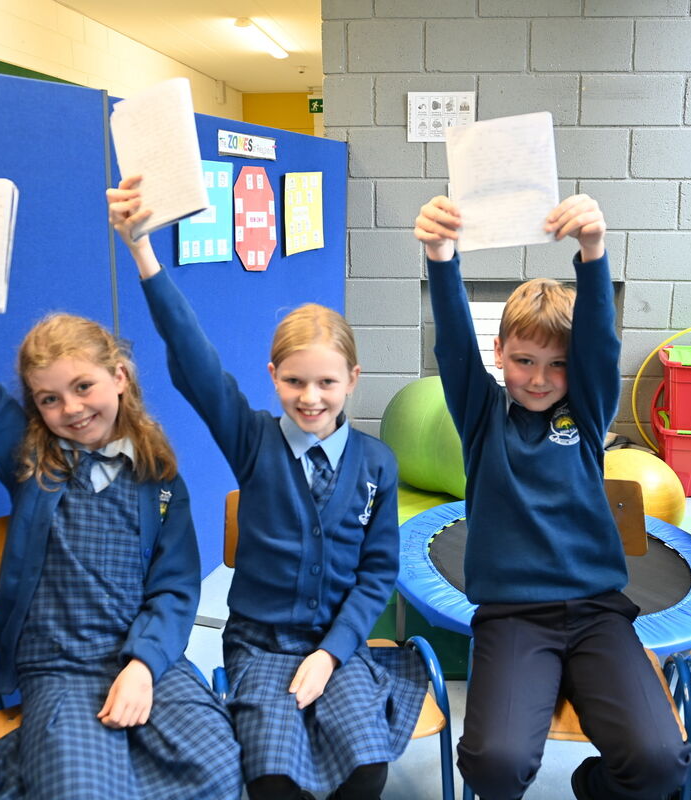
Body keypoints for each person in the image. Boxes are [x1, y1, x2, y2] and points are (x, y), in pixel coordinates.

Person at [0, 210, 241, 800]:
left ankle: (41, 753)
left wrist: (144, 667)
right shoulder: (30, 458)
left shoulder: (159, 475)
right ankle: (36, 756)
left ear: (119, 376)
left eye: (83, 387)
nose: (70, 408)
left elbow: (175, 588)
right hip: (60, 671)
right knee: (83, 788)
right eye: (49, 398)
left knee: (216, 765)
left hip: (145, 657)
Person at [106, 177, 425, 800]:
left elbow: (376, 575)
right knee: (274, 778)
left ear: (352, 379)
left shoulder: (376, 465)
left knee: (364, 772)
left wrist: (330, 654)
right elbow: (195, 361)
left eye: (327, 382)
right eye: (295, 381)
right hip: (259, 646)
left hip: (341, 644)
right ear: (272, 376)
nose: (311, 398)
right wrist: (143, 252)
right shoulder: (251, 440)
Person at [413, 195, 691, 800]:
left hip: (597, 613)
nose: (539, 378)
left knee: (662, 762)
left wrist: (593, 253)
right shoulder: (484, 419)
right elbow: (453, 342)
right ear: (499, 357)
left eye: (557, 364)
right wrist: (441, 257)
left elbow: (599, 346)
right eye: (523, 361)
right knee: (493, 762)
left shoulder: (585, 416)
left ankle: (596, 785)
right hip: (513, 617)